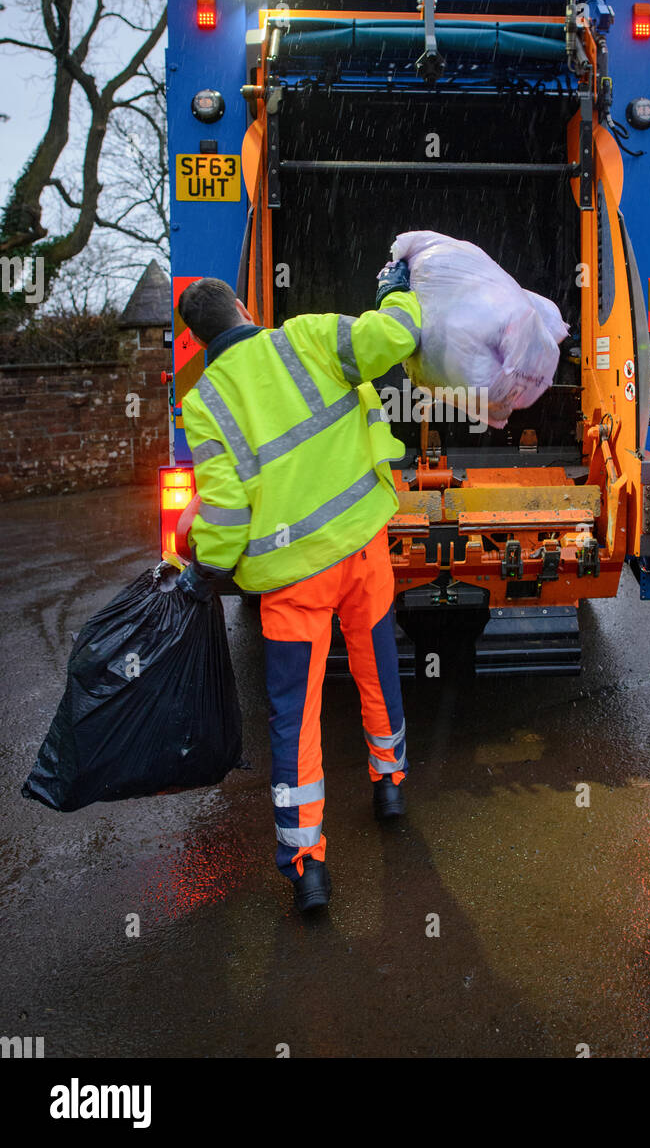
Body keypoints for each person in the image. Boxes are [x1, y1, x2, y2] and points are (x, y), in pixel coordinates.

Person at [175, 261, 420, 914]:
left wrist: (202, 577)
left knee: (295, 717)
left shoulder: (205, 405)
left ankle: (308, 867)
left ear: (197, 341)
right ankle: (389, 784)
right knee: (377, 670)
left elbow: (222, 516)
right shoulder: (308, 335)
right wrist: (393, 293)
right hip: (362, 548)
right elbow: (391, 340)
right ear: (246, 307)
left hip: (290, 583)